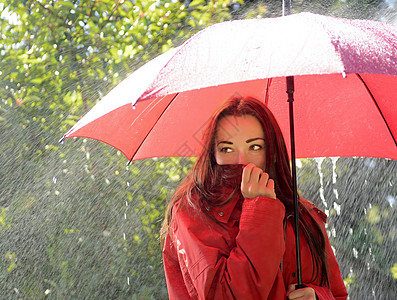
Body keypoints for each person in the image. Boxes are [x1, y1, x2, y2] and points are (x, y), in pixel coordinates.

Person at [161, 96, 348, 299]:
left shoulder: (303, 214)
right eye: (227, 148)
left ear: (272, 151)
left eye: (255, 147)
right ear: (212, 154)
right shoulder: (193, 212)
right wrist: (260, 211)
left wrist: (318, 297)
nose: (243, 161)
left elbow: (337, 293)